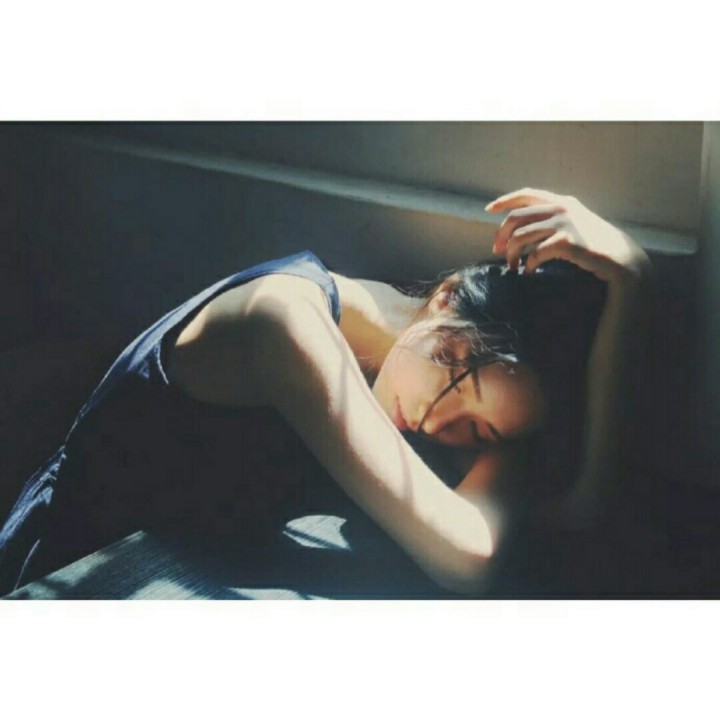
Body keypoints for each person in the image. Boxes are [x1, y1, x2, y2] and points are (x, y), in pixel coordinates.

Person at [0, 188, 651, 597]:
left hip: (194, 553)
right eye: (457, 377)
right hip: (79, 561)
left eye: (480, 431)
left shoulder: (413, 362)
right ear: (447, 297)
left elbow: (578, 510)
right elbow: (466, 559)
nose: (435, 423)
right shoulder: (283, 324)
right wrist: (497, 447)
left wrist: (631, 284)